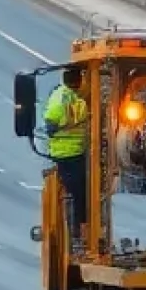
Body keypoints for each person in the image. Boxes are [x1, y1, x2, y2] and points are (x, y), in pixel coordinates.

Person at [43, 70, 89, 243]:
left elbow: (50, 124)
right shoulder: (65, 98)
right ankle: (79, 228)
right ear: (79, 81)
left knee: (78, 192)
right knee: (78, 193)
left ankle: (79, 227)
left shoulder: (66, 97)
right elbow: (51, 123)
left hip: (71, 152)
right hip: (68, 153)